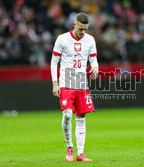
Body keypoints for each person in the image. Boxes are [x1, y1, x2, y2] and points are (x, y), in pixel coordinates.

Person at [50, 13, 99, 162]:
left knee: (81, 118)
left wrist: (95, 68)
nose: (83, 32)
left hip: (81, 83)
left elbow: (93, 59)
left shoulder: (90, 40)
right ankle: (70, 146)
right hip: (66, 81)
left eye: (85, 29)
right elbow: (54, 62)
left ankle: (81, 153)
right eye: (80, 29)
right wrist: (55, 84)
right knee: (67, 115)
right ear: (74, 25)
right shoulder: (62, 39)